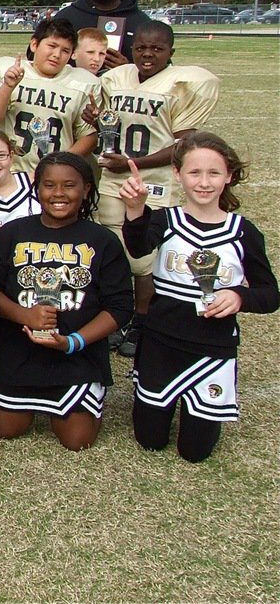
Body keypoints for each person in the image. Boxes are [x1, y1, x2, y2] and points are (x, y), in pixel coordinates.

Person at [121, 133, 278, 462]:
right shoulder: (166, 220)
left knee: (195, 452)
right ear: (177, 174)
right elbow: (138, 248)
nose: (204, 183)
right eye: (194, 173)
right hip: (162, 342)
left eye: (214, 173)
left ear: (229, 177)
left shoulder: (242, 232)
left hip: (211, 347)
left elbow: (269, 295)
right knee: (150, 441)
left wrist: (238, 297)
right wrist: (136, 211)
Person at [0, 152, 133, 451]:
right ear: (36, 188)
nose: (58, 194)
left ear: (86, 189)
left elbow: (120, 307)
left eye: (69, 185)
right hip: (21, 352)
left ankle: (88, 396)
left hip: (78, 356)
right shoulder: (10, 234)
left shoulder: (102, 240)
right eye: (49, 185)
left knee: (77, 441)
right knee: (6, 430)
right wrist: (22, 314)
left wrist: (73, 342)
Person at [92, 20, 221, 356]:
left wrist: (135, 164)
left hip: (155, 182)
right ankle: (115, 318)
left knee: (145, 260)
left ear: (171, 52)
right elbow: (112, 127)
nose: (148, 54)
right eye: (141, 48)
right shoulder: (118, 79)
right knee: (113, 253)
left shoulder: (180, 85)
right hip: (114, 179)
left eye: (157, 48)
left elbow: (183, 145)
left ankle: (142, 321)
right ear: (131, 50)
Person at [0, 18, 99, 174]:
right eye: (52, 46)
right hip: (9, 173)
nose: (57, 55)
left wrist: (60, 163)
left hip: (55, 176)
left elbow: (88, 137)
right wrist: (7, 86)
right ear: (34, 44)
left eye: (65, 50)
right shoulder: (6, 71)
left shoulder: (83, 84)